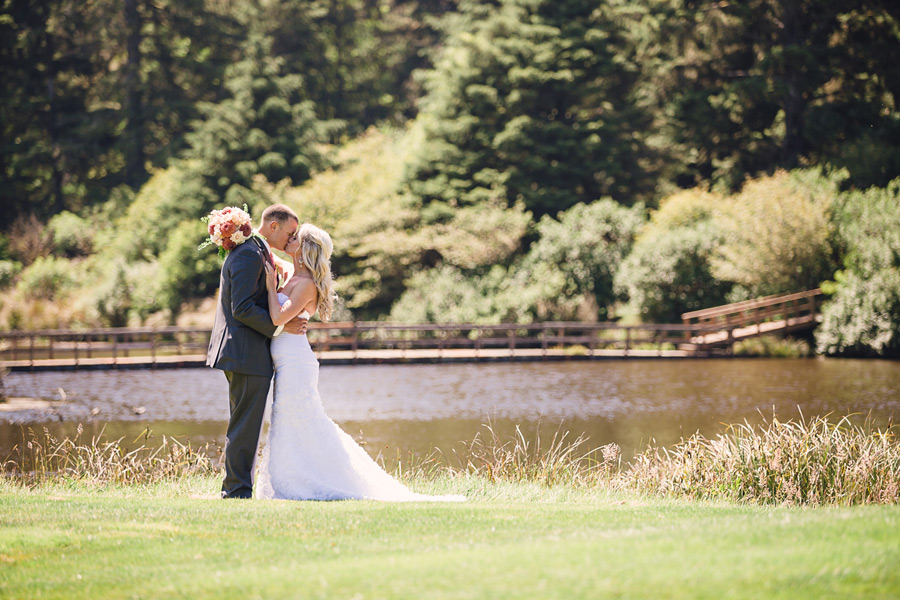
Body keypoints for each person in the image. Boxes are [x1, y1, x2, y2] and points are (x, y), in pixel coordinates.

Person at [256, 223, 464, 502]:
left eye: (296, 238)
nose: (290, 240)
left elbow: (278, 317)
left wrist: (271, 289)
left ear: (305, 249)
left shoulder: (306, 285)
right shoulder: (291, 275)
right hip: (285, 360)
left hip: (295, 362)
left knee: (296, 417)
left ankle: (302, 479)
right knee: (290, 418)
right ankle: (295, 474)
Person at [206, 204, 309, 499]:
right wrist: (281, 327)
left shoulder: (257, 251)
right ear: (273, 226)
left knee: (245, 424)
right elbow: (242, 308)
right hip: (244, 352)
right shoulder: (250, 253)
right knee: (245, 426)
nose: (292, 239)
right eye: (290, 232)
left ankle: (237, 488)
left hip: (245, 352)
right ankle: (236, 491)